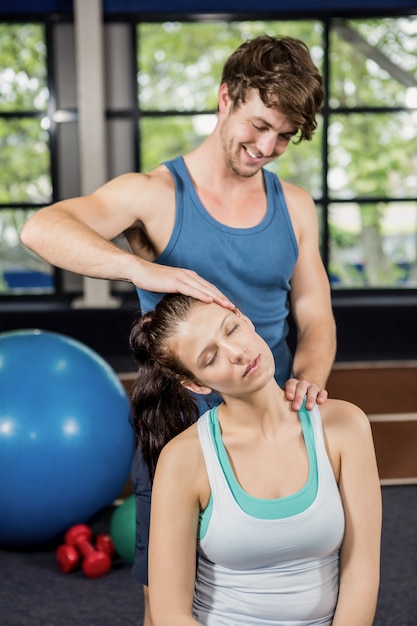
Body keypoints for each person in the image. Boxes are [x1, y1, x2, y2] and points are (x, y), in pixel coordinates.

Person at [20, 35, 336, 624]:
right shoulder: (153, 195)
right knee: (169, 601)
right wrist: (142, 267)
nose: (268, 146)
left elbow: (315, 312)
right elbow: (41, 229)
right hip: (179, 418)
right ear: (225, 97)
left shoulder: (295, 205)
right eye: (260, 124)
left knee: (295, 585)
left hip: (275, 409)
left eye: (285, 136)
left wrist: (309, 383)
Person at [129, 293, 381, 626]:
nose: (238, 353)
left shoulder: (345, 426)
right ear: (195, 383)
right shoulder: (183, 459)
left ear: (246, 320)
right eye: (211, 357)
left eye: (232, 330)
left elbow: (360, 573)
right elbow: (170, 613)